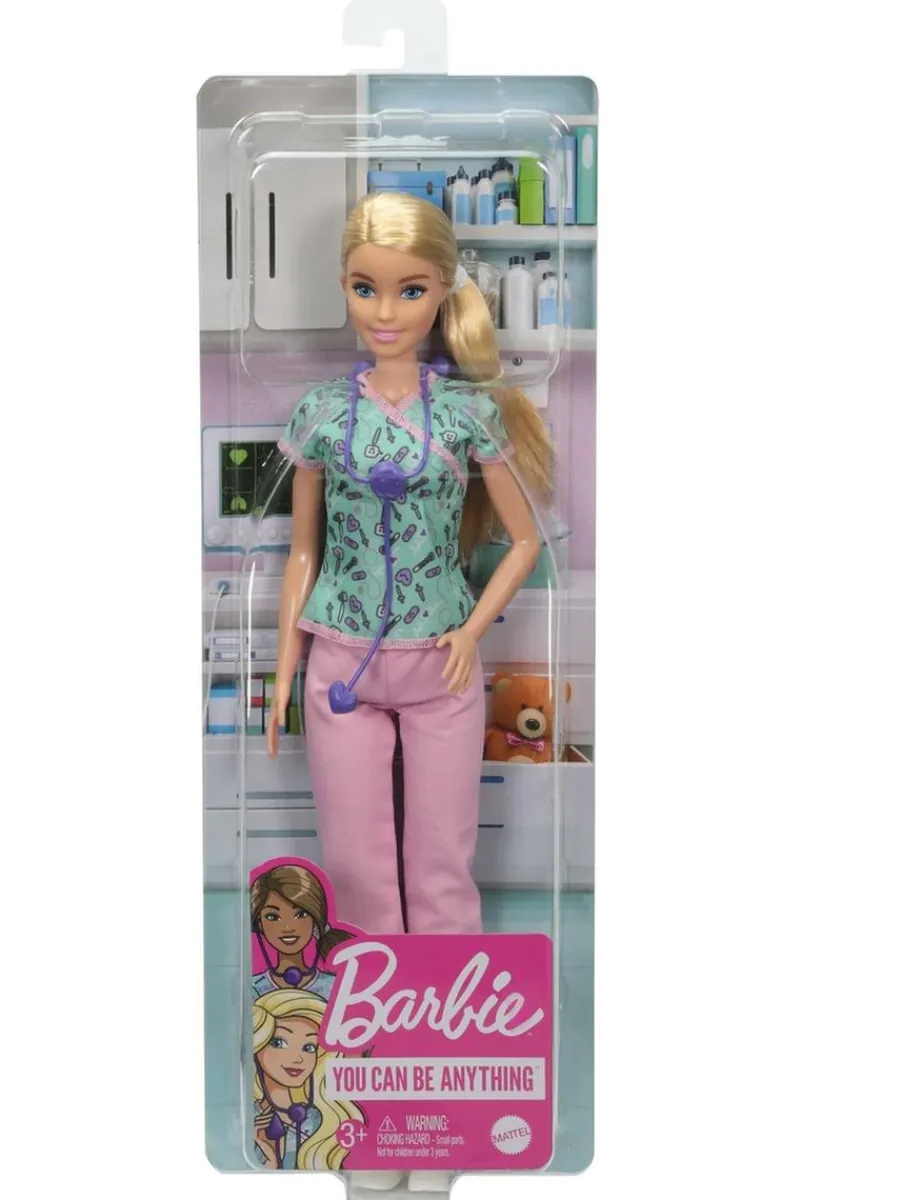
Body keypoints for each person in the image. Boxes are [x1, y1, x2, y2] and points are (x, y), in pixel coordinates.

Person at [266, 191, 553, 939]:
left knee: (442, 861)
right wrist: (284, 670)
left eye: (411, 290)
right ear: (344, 287)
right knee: (353, 861)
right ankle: (369, 993)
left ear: (443, 292)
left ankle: (447, 992)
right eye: (366, 288)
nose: (386, 312)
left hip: (440, 657)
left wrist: (471, 631)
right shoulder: (322, 413)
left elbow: (525, 542)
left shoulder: (466, 413)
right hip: (343, 660)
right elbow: (305, 549)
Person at [251, 988, 364, 1170]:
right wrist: (270, 1163)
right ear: (258, 1043)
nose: (298, 1059)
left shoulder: (324, 1121)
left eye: (309, 1048)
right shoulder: (246, 1118)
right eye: (279, 1043)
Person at [250, 862, 354, 1000]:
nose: (288, 927)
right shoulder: (252, 990)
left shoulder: (336, 987)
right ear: (259, 924)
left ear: (315, 920)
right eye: (273, 917)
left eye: (300, 915)